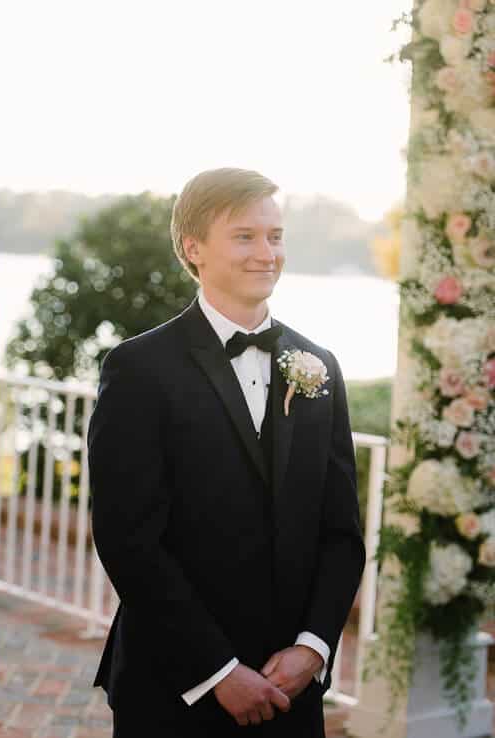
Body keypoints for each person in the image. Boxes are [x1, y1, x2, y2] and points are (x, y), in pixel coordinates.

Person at [88, 168, 365, 737]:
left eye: (275, 235)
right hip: (175, 687)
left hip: (291, 689)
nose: (267, 253)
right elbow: (128, 540)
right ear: (194, 247)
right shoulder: (139, 370)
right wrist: (217, 671)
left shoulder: (321, 367)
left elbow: (341, 532)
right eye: (245, 236)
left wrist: (312, 649)